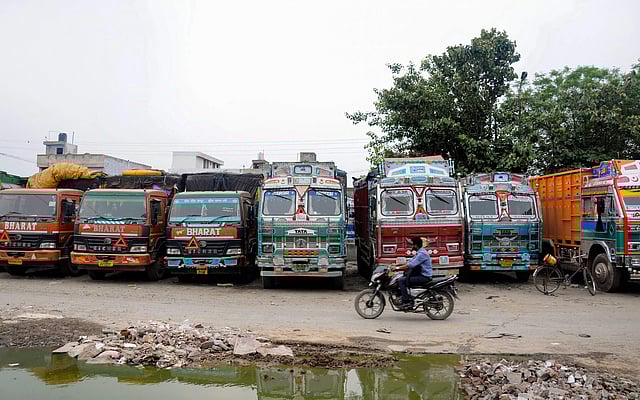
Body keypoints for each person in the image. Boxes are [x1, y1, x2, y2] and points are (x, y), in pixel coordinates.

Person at [395, 236, 433, 309]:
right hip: (421, 275)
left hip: (424, 277)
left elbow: (411, 265)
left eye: (412, 244)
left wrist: (397, 268)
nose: (411, 246)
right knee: (402, 277)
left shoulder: (422, 254)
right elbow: (410, 262)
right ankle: (408, 295)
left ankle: (406, 302)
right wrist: (397, 266)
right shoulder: (420, 252)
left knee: (401, 280)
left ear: (416, 245)